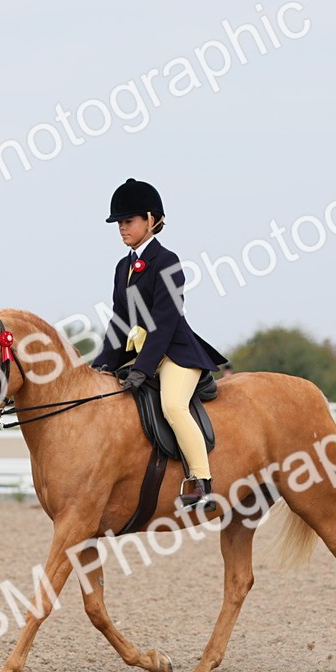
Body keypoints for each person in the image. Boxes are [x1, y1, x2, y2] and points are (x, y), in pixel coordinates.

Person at [91, 178, 228, 512]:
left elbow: (165, 323)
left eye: (129, 221)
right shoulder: (123, 267)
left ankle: (200, 481)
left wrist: (143, 368)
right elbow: (121, 321)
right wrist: (99, 365)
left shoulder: (167, 261)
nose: (122, 228)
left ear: (151, 220)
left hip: (174, 353)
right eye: (119, 223)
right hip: (142, 353)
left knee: (172, 406)